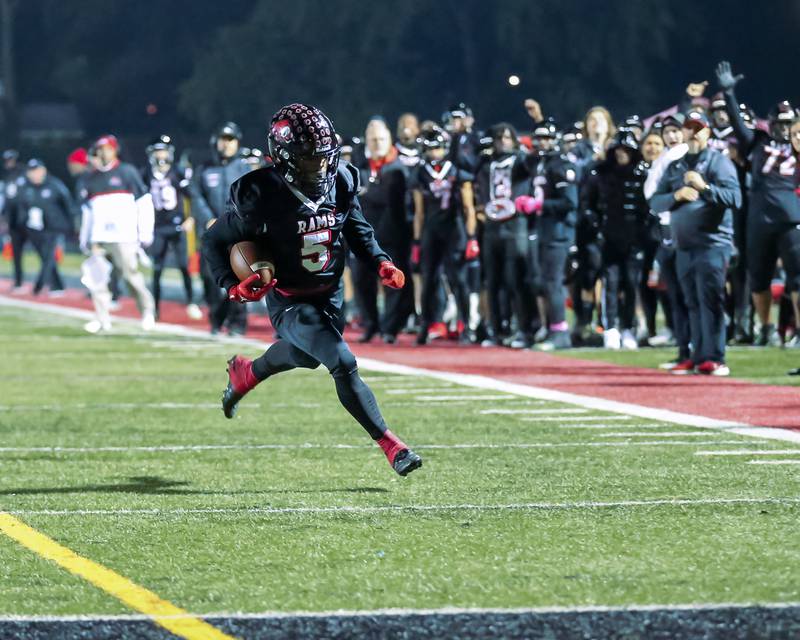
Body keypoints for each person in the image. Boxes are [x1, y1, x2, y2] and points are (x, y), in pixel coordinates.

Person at [202, 103, 421, 477]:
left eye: (324, 157)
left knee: (306, 357)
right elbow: (214, 240)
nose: (320, 166)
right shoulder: (261, 193)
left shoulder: (341, 179)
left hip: (330, 292)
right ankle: (392, 446)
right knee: (342, 361)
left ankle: (247, 373)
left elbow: (356, 228)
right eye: (309, 159)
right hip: (289, 298)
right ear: (284, 158)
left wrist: (380, 261)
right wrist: (232, 287)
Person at [651, 109, 741, 375]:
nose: (693, 133)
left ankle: (716, 357)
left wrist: (704, 188)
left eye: (698, 128)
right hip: (684, 245)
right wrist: (676, 195)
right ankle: (697, 354)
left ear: (707, 133)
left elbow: (735, 199)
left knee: (710, 301)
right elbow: (655, 202)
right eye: (689, 128)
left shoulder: (718, 162)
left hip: (712, 243)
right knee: (691, 301)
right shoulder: (675, 165)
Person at [716, 61, 800, 347]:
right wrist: (729, 95)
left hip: (791, 218)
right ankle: (765, 328)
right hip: (759, 218)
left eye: (790, 124)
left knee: (798, 278)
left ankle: (798, 330)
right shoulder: (758, 142)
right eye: (780, 123)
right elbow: (738, 126)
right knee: (759, 277)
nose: (784, 129)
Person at [78, 134, 156, 333]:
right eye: (100, 148)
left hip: (124, 236)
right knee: (97, 279)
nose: (103, 152)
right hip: (99, 238)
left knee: (131, 277)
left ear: (114, 150)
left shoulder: (127, 172)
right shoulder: (90, 177)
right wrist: (84, 238)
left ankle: (147, 311)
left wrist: (145, 232)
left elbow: (144, 203)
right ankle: (102, 318)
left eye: (106, 148)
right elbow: (87, 211)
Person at [411, 125, 478, 345]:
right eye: (431, 149)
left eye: (438, 148)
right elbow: (419, 212)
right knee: (429, 280)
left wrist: (471, 237)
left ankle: (466, 326)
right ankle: (425, 325)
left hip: (453, 230)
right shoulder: (421, 173)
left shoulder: (456, 171)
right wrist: (417, 241)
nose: (434, 153)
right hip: (431, 230)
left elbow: (468, 207)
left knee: (458, 279)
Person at [583, 130, 648, 350]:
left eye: (626, 150)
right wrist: (597, 227)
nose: (622, 154)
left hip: (633, 240)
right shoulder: (601, 175)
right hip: (609, 238)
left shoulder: (642, 175)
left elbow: (646, 209)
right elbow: (589, 205)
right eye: (618, 150)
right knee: (610, 283)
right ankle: (610, 328)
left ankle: (628, 327)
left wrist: (642, 233)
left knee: (631, 283)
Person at [473, 123, 537, 347]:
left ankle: (524, 329)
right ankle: (497, 330)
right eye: (499, 137)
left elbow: (535, 161)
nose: (503, 141)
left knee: (516, 280)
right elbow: (466, 170)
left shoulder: (520, 160)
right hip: (492, 227)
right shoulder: (485, 163)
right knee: (493, 282)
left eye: (508, 137)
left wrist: (537, 122)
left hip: (515, 225)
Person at [353, 117, 414, 343]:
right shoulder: (359, 167)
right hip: (364, 237)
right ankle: (371, 324)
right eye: (373, 139)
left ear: (389, 138)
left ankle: (390, 328)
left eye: (381, 138)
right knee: (361, 281)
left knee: (393, 282)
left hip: (393, 235)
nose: (377, 143)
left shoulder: (400, 167)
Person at [189, 121, 252, 335]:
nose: (226, 144)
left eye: (230, 140)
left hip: (236, 234)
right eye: (223, 139)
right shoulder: (204, 169)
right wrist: (207, 218)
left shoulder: (244, 169)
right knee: (209, 278)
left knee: (240, 278)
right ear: (215, 141)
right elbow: (195, 197)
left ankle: (237, 323)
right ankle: (216, 319)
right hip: (210, 235)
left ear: (237, 142)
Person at [522, 120, 579, 351]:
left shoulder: (561, 165)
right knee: (542, 281)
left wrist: (539, 205)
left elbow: (569, 202)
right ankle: (551, 327)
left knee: (553, 281)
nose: (542, 142)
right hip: (544, 230)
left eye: (547, 138)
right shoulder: (541, 163)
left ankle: (560, 331)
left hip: (558, 231)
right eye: (539, 138)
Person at [143, 135, 201, 320]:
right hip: (157, 227)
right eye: (158, 151)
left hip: (177, 226)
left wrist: (190, 217)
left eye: (164, 151)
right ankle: (155, 308)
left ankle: (191, 302)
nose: (161, 155)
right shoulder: (145, 174)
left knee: (184, 266)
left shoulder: (177, 172)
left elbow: (192, 195)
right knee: (157, 269)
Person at [15, 159, 75, 295]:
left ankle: (39, 286)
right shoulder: (25, 187)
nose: (34, 174)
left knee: (48, 257)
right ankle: (58, 286)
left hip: (53, 228)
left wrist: (70, 226)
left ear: (43, 170)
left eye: (36, 170)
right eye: (31, 171)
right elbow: (21, 207)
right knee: (45, 257)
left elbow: (68, 205)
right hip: (34, 229)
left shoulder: (55, 185)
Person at [2, 149, 26, 291]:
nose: (8, 162)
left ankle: (54, 283)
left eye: (11, 159)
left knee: (43, 251)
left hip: (27, 219)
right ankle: (18, 282)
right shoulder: (7, 176)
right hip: (13, 220)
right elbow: (6, 200)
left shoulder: (24, 173)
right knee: (16, 253)